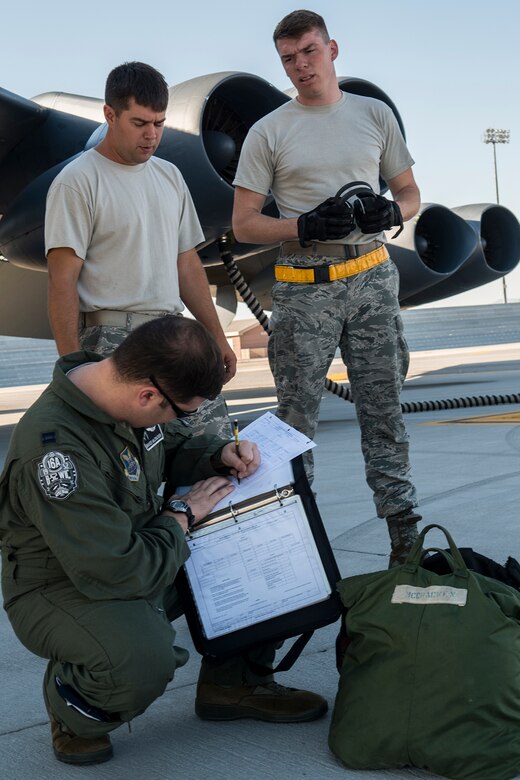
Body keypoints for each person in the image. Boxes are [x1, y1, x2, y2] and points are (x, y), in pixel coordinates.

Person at [0, 316, 327, 766]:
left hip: (136, 547)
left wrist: (217, 455)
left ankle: (232, 685)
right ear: (149, 395)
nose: (183, 418)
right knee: (140, 660)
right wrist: (181, 516)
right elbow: (114, 568)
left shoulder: (123, 394)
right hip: (64, 587)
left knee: (263, 556)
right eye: (184, 411)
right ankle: (72, 707)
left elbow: (169, 449)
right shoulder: (56, 451)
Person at [232, 9, 422, 566]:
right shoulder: (269, 131)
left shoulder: (374, 115)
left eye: (309, 52)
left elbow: (410, 193)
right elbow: (244, 224)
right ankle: (298, 549)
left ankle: (405, 544)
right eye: (289, 59)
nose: (300, 67)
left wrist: (393, 210)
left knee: (384, 412)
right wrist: (302, 225)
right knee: (295, 420)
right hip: (303, 283)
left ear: (332, 49)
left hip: (370, 276)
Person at [45, 60, 234, 439]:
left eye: (159, 124)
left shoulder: (170, 177)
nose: (151, 135)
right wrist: (72, 367)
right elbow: (62, 281)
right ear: (109, 115)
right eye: (139, 123)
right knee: (129, 469)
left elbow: (187, 263)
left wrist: (217, 336)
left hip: (172, 334)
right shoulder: (77, 182)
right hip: (111, 342)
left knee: (214, 449)